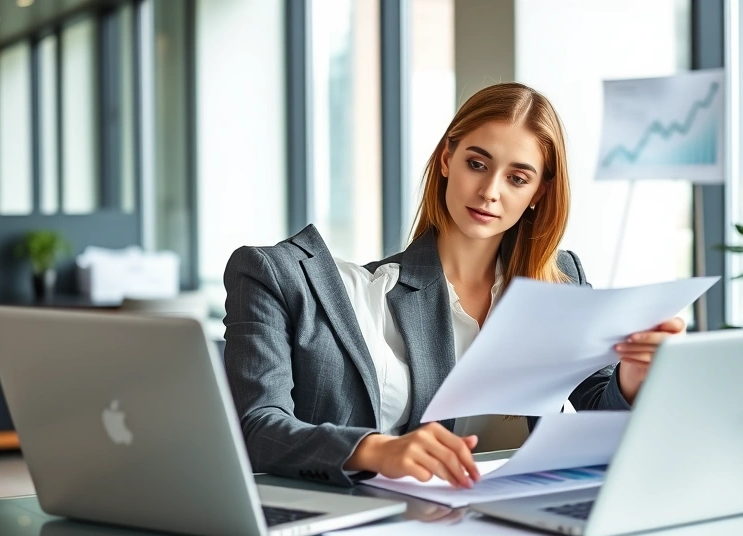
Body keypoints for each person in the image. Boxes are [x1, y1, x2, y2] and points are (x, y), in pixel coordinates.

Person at [223, 82, 685, 489]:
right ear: (447, 159)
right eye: (477, 163)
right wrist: (377, 449)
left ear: (539, 192)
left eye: (517, 177)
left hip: (518, 517)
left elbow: (595, 422)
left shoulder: (560, 282)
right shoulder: (367, 294)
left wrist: (632, 379)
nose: (490, 191)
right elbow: (258, 429)